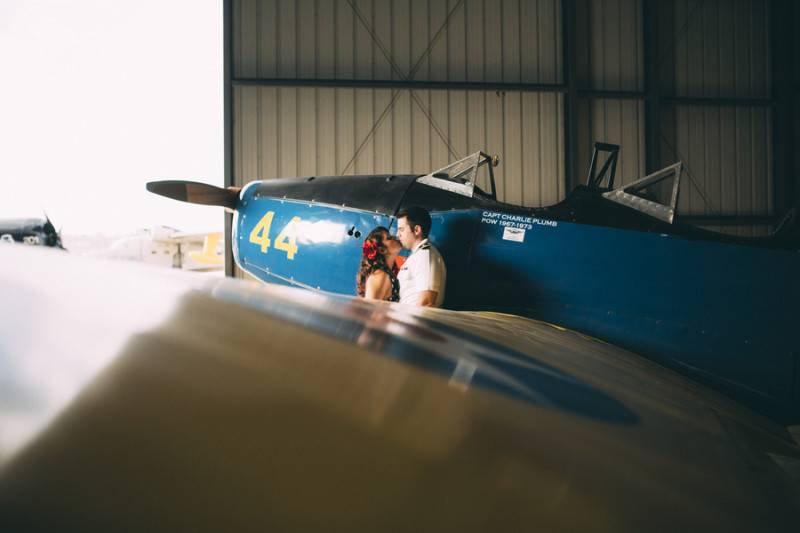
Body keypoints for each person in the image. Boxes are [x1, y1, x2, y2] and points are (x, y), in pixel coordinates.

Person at [395, 206, 446, 307]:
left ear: (417, 230)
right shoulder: (417, 255)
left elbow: (427, 302)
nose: (397, 234)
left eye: (401, 229)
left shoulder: (425, 255)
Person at [356, 226, 402, 302]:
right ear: (382, 250)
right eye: (389, 238)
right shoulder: (380, 275)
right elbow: (371, 311)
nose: (394, 237)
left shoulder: (387, 273)